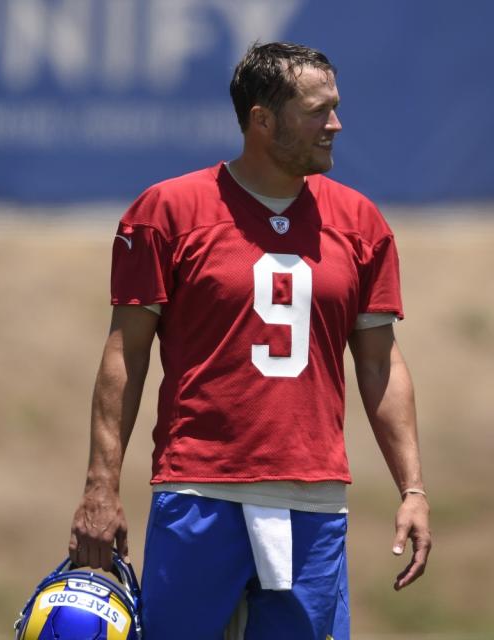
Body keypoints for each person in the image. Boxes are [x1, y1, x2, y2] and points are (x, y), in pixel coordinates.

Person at [68, 41, 431, 639]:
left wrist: (412, 488)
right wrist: (100, 488)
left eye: (335, 108)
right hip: (199, 490)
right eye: (318, 110)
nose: (335, 124)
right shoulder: (167, 211)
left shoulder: (361, 223)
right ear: (262, 119)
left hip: (312, 498)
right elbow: (126, 356)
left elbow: (380, 364)